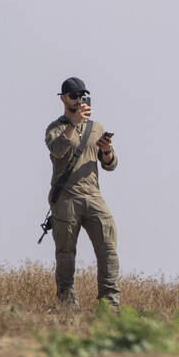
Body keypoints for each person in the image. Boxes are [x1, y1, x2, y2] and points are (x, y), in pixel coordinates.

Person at [44, 76, 120, 307]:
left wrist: (106, 152)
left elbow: (110, 164)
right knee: (66, 253)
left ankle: (110, 304)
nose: (79, 100)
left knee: (108, 248)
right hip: (66, 198)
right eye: (74, 96)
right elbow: (57, 151)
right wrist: (73, 124)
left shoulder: (96, 128)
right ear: (64, 98)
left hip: (93, 196)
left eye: (82, 96)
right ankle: (68, 303)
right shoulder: (56, 128)